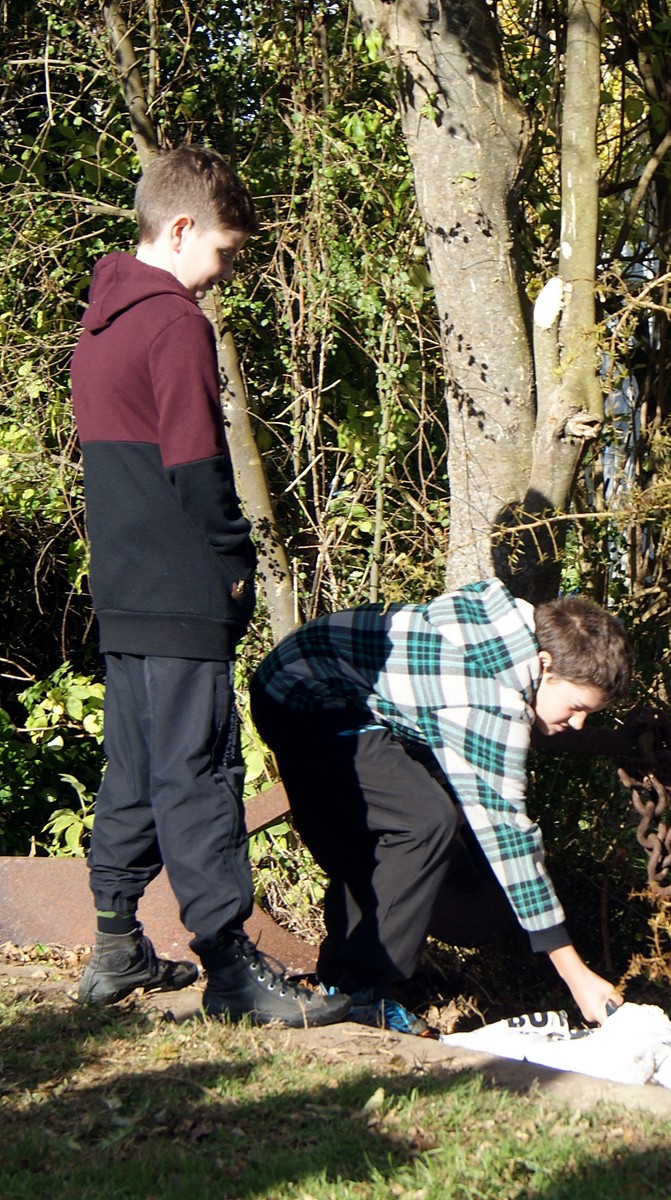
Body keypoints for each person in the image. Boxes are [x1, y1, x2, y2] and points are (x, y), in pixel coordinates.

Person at [69, 144, 350, 1028]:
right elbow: (196, 467)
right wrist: (234, 562)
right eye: (224, 251)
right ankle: (231, 970)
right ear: (182, 227)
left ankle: (116, 945)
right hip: (183, 590)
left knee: (136, 766)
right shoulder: (172, 322)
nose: (223, 272)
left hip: (123, 588)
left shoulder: (98, 326)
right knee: (200, 769)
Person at [248, 577, 634, 1030]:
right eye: (577, 706)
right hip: (302, 696)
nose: (579, 722)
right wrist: (575, 974)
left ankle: (345, 984)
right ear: (545, 666)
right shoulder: (488, 699)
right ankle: (364, 992)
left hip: (336, 691)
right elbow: (508, 833)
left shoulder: (513, 631)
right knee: (422, 821)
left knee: (391, 829)